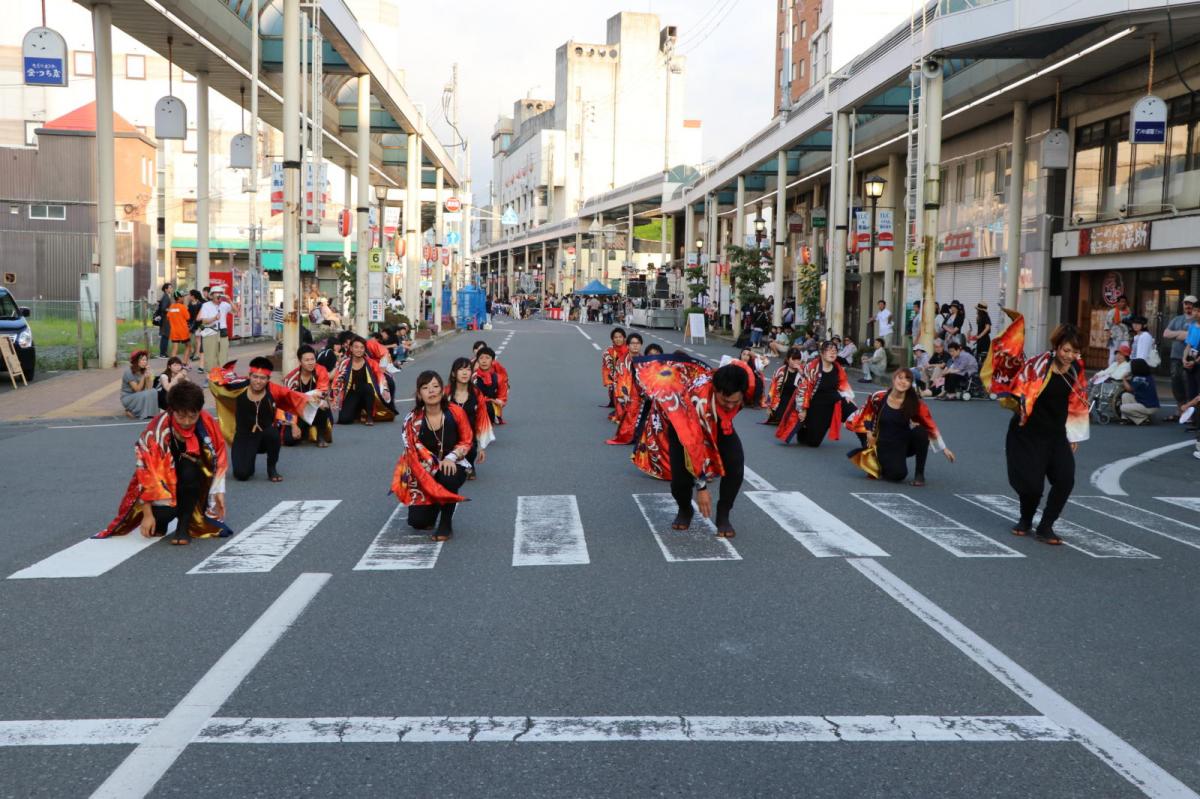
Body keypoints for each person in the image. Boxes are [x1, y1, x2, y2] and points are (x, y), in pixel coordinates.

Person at [632, 354, 757, 537]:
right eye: (725, 401)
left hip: (719, 423)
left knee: (735, 466)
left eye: (735, 402)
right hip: (683, 425)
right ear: (715, 390)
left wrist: (726, 409)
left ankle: (723, 514)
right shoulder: (700, 399)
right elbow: (694, 446)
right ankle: (685, 509)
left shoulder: (744, 386)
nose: (730, 406)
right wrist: (702, 488)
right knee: (680, 481)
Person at [96, 381, 231, 545]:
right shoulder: (156, 430)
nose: (187, 422)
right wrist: (147, 514)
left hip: (193, 478)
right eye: (181, 416)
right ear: (171, 410)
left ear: (199, 411)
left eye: (192, 416)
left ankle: (184, 526)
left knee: (190, 471)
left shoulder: (207, 422)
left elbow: (219, 456)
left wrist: (218, 490)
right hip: (162, 482)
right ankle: (162, 518)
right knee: (160, 520)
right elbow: (145, 472)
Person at [999, 323, 1089, 545]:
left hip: (1057, 434)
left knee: (1065, 479)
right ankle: (1026, 519)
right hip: (1028, 431)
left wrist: (1074, 434)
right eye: (1066, 350)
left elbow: (1077, 401)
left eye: (1075, 351)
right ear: (1056, 346)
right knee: (1032, 485)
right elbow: (1018, 388)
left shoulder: (1077, 369)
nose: (1070, 356)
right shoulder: (1037, 365)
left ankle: (1046, 525)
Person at [392, 370, 473, 541]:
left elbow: (467, 441)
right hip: (424, 470)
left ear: (442, 391)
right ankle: (435, 502)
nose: (431, 391)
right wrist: (432, 465)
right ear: (419, 394)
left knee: (447, 475)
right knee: (418, 522)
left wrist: (450, 457)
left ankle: (445, 524)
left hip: (455, 464)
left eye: (436, 386)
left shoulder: (455, 412)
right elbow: (412, 451)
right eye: (426, 387)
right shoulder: (412, 420)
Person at [208, 356, 317, 482]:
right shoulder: (238, 388)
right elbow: (217, 384)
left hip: (265, 436)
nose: (258, 381)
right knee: (242, 474)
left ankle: (272, 468)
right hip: (244, 437)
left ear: (268, 379)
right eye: (255, 377)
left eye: (262, 378)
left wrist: (295, 421)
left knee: (273, 434)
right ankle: (249, 459)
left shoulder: (273, 390)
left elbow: (292, 399)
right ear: (249, 376)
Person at [846, 368, 956, 486]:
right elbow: (865, 413)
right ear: (894, 379)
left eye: (907, 380)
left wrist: (944, 448)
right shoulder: (879, 397)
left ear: (910, 384)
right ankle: (880, 463)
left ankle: (919, 475)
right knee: (897, 475)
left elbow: (929, 424)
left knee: (921, 431)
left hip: (903, 443)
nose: (903, 382)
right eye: (900, 378)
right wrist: (868, 431)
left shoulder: (915, 403)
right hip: (883, 443)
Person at [778, 341, 855, 447]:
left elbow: (843, 383)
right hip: (815, 405)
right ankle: (805, 428)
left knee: (853, 411)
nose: (833, 353)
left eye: (835, 351)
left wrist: (847, 396)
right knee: (813, 442)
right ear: (822, 353)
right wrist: (803, 410)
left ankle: (866, 441)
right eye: (829, 350)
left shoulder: (838, 368)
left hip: (833, 402)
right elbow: (803, 389)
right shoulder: (812, 367)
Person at [446, 357, 495, 478]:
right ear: (453, 373)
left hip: (469, 437)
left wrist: (481, 448)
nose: (464, 373)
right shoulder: (445, 394)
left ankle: (469, 464)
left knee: (471, 448)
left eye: (468, 369)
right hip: (448, 435)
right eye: (460, 369)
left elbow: (481, 420)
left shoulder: (477, 394)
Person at [329, 336, 395, 425]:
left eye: (361, 347)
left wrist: (385, 392)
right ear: (351, 348)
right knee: (344, 420)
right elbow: (338, 380)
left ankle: (369, 416)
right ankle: (357, 411)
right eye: (356, 347)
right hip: (352, 392)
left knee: (368, 387)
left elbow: (381, 378)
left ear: (364, 349)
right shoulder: (345, 363)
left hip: (368, 394)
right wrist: (335, 396)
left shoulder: (372, 363)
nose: (359, 350)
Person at [282, 344, 333, 447]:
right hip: (298, 412)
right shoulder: (291, 379)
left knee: (323, 404)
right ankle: (304, 429)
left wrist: (314, 397)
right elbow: (287, 404)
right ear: (300, 361)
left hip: (317, 409)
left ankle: (320, 436)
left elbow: (323, 392)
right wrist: (293, 425)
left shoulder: (321, 370)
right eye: (307, 360)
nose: (310, 363)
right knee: (289, 441)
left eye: (312, 359)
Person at [1162, 296, 1197, 418]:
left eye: (1191, 304)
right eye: (1186, 303)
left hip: (1191, 358)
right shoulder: (1177, 319)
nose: (1188, 306)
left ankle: (1191, 413)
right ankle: (1180, 410)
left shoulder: (1197, 320)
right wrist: (1180, 334)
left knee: (1189, 384)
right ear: (1183, 305)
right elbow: (1166, 334)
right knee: (1176, 383)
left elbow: (1191, 336)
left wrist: (1178, 335)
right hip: (1175, 356)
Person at [764, 347, 806, 426]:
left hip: (797, 401)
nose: (796, 362)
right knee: (781, 418)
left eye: (798, 359)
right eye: (793, 359)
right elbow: (772, 389)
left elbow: (808, 386)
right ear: (787, 359)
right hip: (782, 399)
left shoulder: (803, 371)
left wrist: (801, 373)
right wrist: (769, 406)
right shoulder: (781, 371)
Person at [473, 344, 510, 425]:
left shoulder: (499, 378)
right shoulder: (472, 377)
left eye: (487, 358)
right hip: (475, 404)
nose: (484, 361)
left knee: (489, 409)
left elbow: (502, 398)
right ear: (477, 361)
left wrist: (493, 401)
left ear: (493, 361)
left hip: (492, 404)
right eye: (481, 358)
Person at [1119, 358, 1160, 425]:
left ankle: (1143, 419)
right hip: (1148, 404)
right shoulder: (1148, 376)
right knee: (1125, 395)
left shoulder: (1138, 378)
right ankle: (1125, 418)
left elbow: (1129, 389)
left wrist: (1124, 379)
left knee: (1122, 408)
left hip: (1147, 406)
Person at [121, 350, 159, 419]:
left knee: (153, 391)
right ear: (136, 361)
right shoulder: (128, 372)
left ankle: (150, 413)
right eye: (142, 360)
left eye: (145, 360)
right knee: (145, 394)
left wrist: (150, 377)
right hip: (128, 397)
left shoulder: (144, 370)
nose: (144, 362)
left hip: (140, 395)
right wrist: (143, 376)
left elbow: (149, 389)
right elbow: (137, 389)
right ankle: (133, 411)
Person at [601, 328, 628, 411]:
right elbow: (606, 368)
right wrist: (608, 382)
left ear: (624, 338)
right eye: (615, 337)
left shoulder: (630, 349)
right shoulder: (608, 352)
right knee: (619, 402)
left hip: (629, 379)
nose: (618, 339)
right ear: (612, 339)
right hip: (615, 379)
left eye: (620, 337)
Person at [165, 291, 192, 361]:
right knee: (188, 347)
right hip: (183, 331)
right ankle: (184, 363)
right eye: (182, 297)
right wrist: (186, 306)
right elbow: (188, 317)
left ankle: (172, 365)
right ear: (179, 298)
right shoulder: (183, 307)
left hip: (174, 331)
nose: (183, 298)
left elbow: (168, 317)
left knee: (174, 349)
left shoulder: (171, 307)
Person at [1105, 294, 1132, 365]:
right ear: (1117, 303)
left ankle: (1123, 370)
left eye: (1124, 302)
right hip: (1114, 336)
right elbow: (1107, 325)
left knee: (1126, 353)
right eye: (1121, 301)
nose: (1123, 303)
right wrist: (1108, 335)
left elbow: (1131, 324)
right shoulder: (1112, 312)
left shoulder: (1128, 312)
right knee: (1113, 354)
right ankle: (1110, 371)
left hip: (1125, 337)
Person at [155, 282, 173, 358]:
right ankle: (163, 353)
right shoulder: (166, 297)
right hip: (165, 319)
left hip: (165, 318)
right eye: (170, 288)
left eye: (171, 287)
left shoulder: (166, 296)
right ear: (166, 289)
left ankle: (163, 353)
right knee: (165, 335)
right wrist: (171, 310)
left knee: (165, 336)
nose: (171, 289)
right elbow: (163, 308)